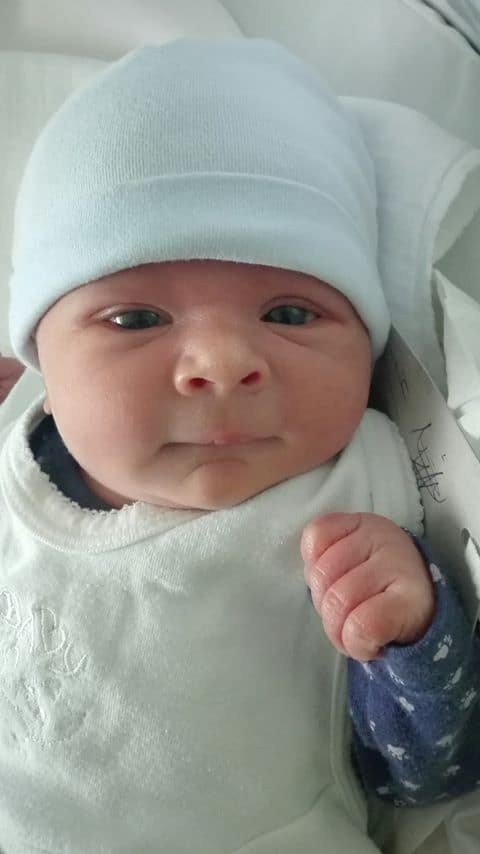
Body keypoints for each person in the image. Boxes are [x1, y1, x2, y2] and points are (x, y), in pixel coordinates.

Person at [1, 37, 479, 854]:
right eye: (136, 318)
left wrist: (413, 643)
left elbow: (428, 781)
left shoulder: (365, 500)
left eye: (290, 314)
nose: (223, 364)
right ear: (42, 352)